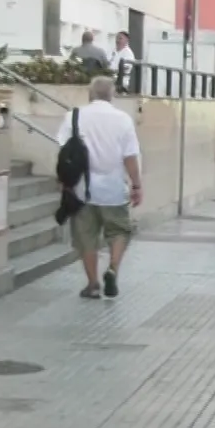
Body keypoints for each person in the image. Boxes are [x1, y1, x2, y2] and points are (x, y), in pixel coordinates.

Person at [56, 74, 143, 299]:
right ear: (112, 95)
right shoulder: (123, 119)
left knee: (86, 238)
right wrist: (136, 185)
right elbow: (130, 156)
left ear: (90, 93)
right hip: (114, 190)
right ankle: (112, 268)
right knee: (120, 231)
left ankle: (93, 284)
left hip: (82, 190)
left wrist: (64, 181)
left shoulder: (73, 116)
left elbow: (63, 150)